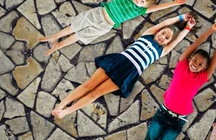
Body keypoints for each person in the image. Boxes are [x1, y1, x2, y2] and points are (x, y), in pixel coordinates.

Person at [51, 13, 196, 119]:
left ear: (167, 42)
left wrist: (188, 28)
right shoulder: (148, 34)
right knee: (89, 84)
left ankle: (67, 111)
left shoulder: (162, 51)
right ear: (159, 30)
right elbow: (163, 23)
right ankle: (62, 105)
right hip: (119, 61)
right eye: (163, 33)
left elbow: (176, 41)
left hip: (129, 73)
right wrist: (181, 18)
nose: (162, 37)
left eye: (166, 38)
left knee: (96, 93)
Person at [38, 0, 184, 56]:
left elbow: (157, 8)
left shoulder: (140, 10)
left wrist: (173, 3)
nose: (138, 0)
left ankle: (58, 46)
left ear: (144, 5)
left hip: (105, 26)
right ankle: (53, 37)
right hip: (99, 13)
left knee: (79, 36)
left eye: (142, 1)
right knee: (74, 27)